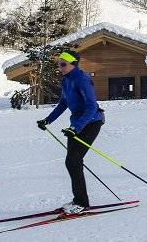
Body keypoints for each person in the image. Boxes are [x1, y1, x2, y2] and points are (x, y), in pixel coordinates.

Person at [36, 50, 104, 215]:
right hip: (77, 124)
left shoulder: (82, 80)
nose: (60, 67)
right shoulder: (66, 80)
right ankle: (78, 200)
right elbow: (63, 103)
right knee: (71, 162)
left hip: (91, 122)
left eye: (63, 64)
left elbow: (92, 107)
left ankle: (82, 203)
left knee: (74, 161)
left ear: (73, 64)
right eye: (59, 64)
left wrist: (76, 128)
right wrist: (48, 120)